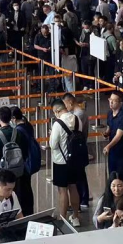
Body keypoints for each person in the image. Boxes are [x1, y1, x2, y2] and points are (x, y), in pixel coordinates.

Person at [49, 97, 84, 226]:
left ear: (57, 111)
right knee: (73, 187)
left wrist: (51, 134)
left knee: (62, 190)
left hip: (61, 161)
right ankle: (75, 217)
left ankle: (62, 218)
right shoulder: (77, 119)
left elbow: (53, 145)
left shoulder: (57, 124)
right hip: (75, 160)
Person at [102, 92, 123, 184]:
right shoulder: (110, 113)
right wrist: (106, 133)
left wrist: (108, 146)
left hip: (122, 152)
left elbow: (118, 136)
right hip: (112, 152)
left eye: (114, 101)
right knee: (112, 176)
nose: (111, 102)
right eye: (110, 100)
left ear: (120, 103)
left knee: (121, 178)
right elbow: (109, 127)